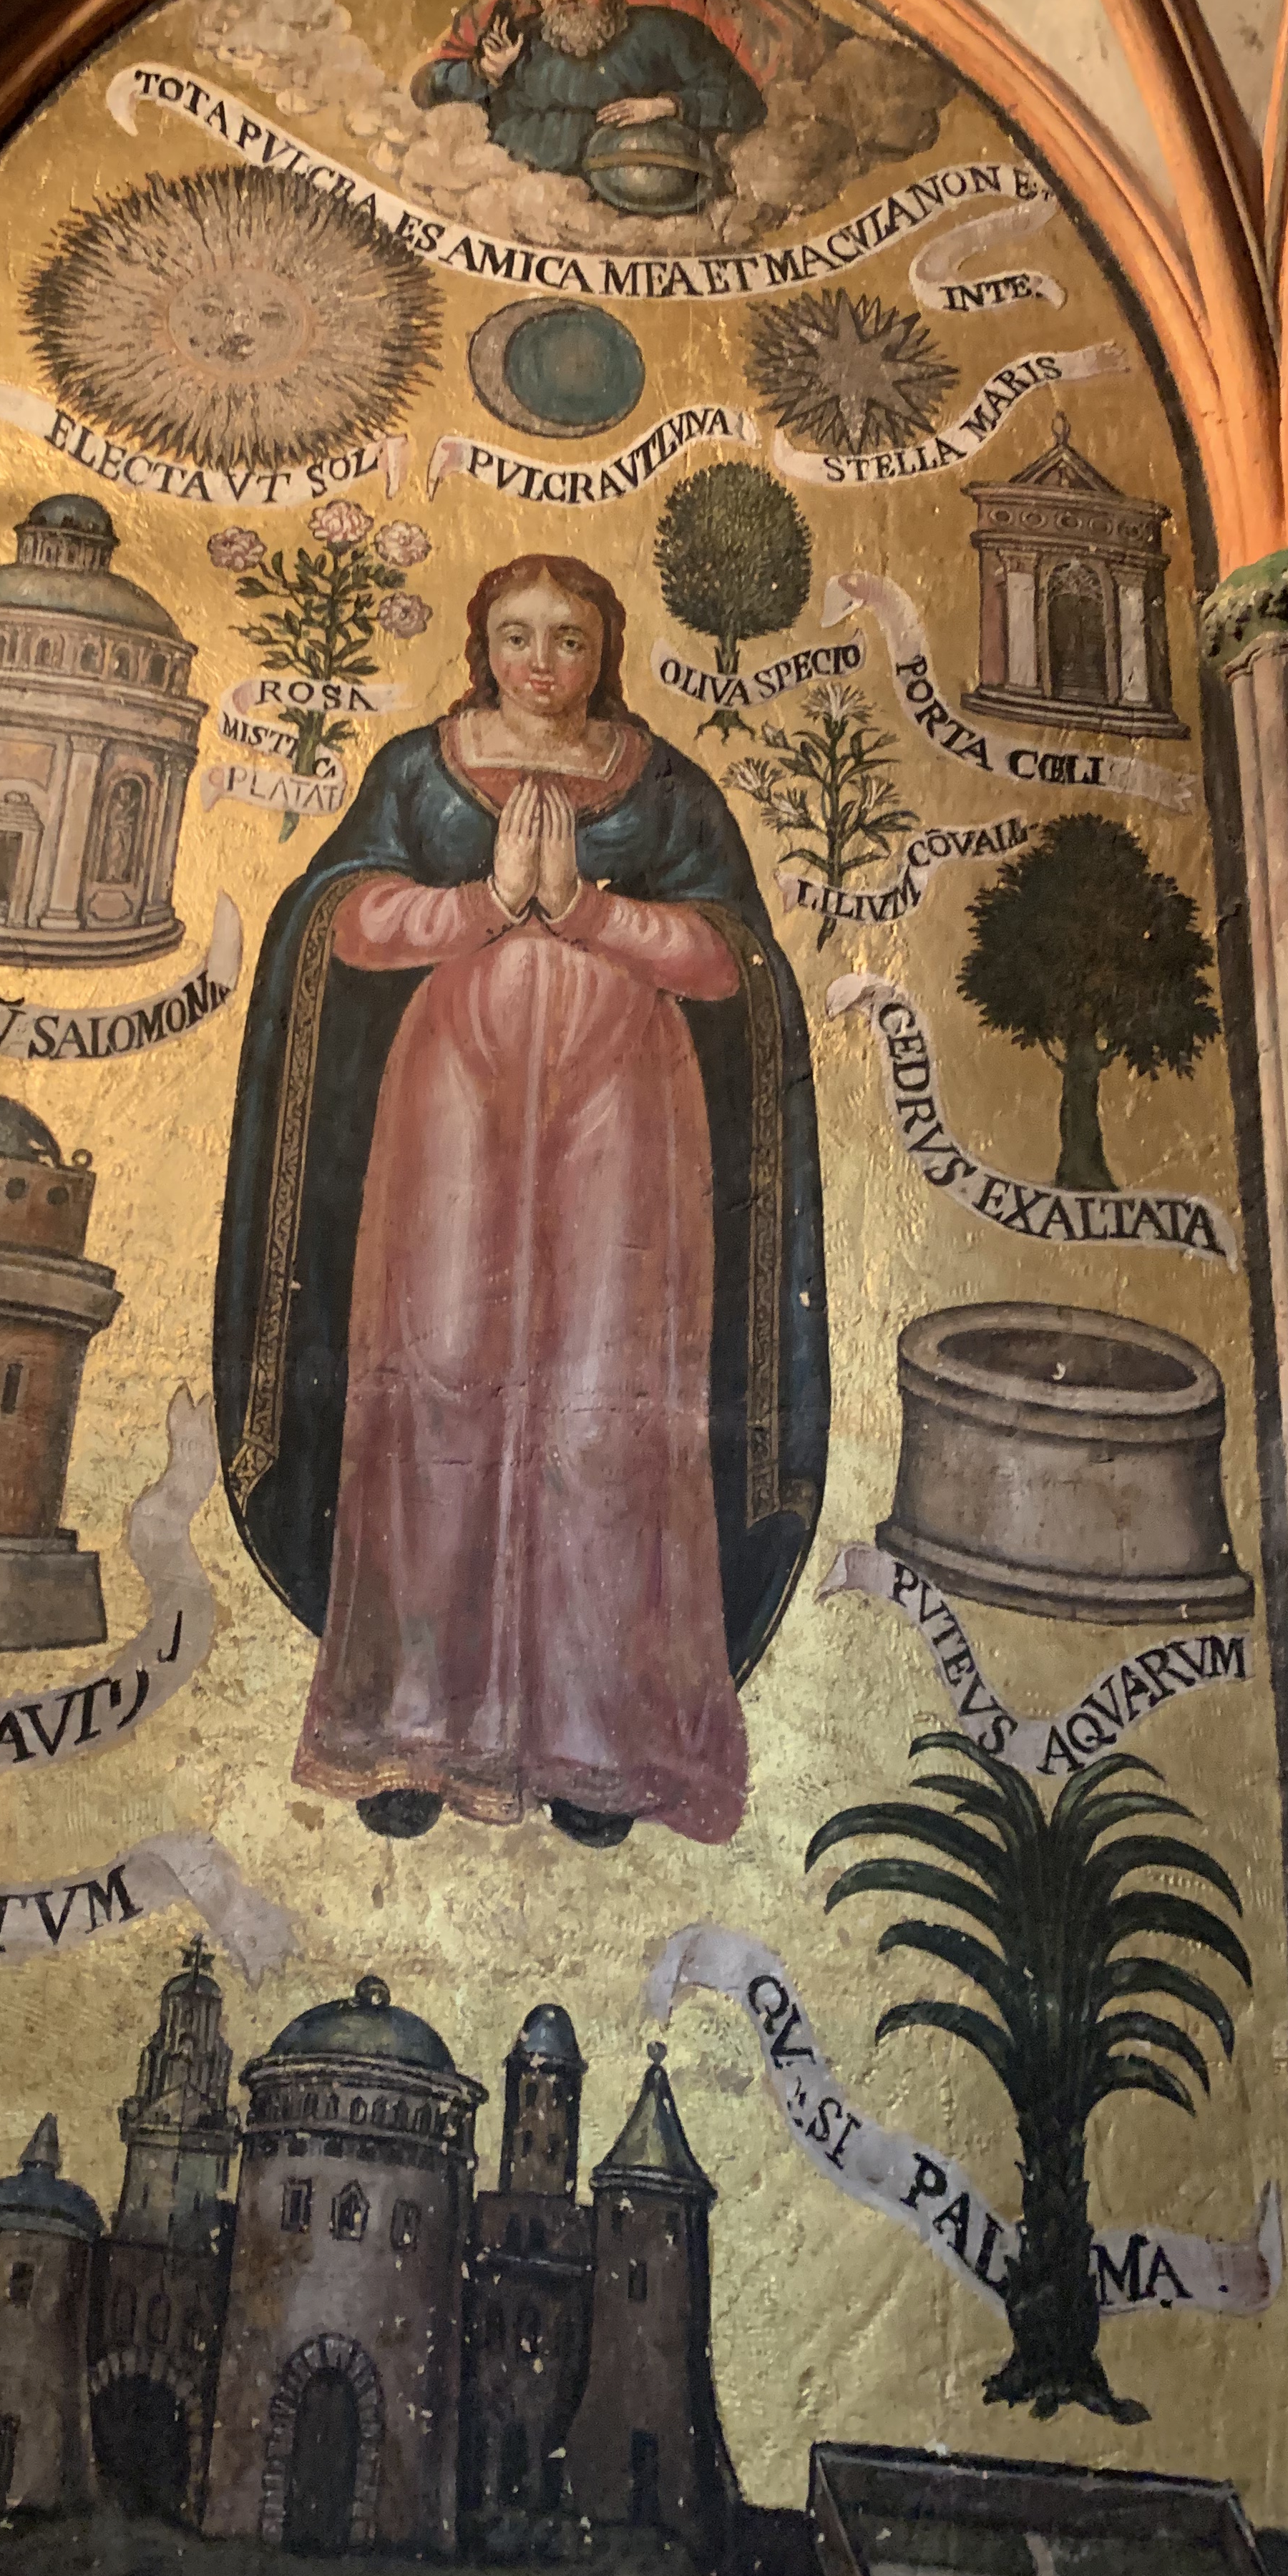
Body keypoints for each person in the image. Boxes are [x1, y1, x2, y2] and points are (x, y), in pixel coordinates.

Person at [215, 553, 827, 1850]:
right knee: (430, 1383)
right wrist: (481, 905)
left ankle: (599, 1742)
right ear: (480, 645)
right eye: (515, 636)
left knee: (607, 1405)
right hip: (452, 1108)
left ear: (606, 649)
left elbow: (732, 960)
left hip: (626, 1120)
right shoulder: (419, 774)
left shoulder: (664, 787)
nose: (540, 663)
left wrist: (592, 914)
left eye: (567, 637)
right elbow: (338, 921)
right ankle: (407, 1724)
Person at [414, 0, 766, 192]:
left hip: (654, 203)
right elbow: (426, 89)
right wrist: (485, 73)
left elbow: (746, 102)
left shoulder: (666, 33)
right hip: (534, 201)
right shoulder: (520, 42)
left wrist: (667, 106)